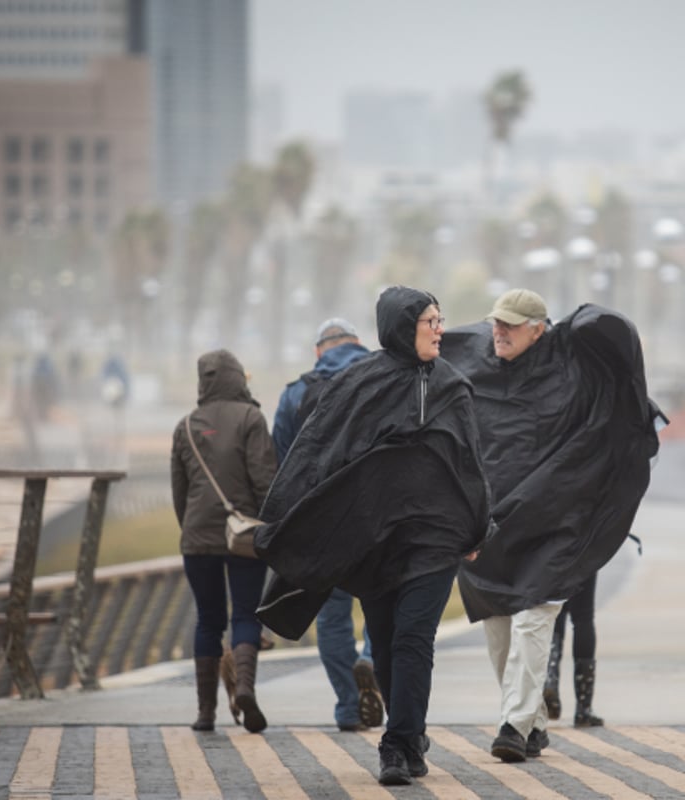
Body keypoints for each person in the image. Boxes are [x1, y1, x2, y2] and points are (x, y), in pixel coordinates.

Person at [255, 286, 490, 786]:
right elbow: (321, 452)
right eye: (430, 321)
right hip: (376, 543)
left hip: (435, 540)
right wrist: (290, 519)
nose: (439, 330)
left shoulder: (452, 385)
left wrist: (476, 523)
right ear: (402, 327)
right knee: (382, 642)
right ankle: (412, 732)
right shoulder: (358, 384)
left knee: (412, 638)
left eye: (440, 320)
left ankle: (397, 743)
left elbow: (471, 461)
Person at [440, 289, 662, 764]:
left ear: (539, 329)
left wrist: (583, 320)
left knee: (533, 619)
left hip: (557, 526)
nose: (499, 331)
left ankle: (514, 726)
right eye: (496, 322)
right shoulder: (476, 365)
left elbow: (614, 346)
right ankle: (533, 719)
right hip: (494, 526)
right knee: (499, 625)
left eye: (512, 325)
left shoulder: (573, 370)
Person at [271, 316, 384, 733]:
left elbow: (280, 470)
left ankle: (349, 708)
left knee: (332, 617)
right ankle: (371, 660)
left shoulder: (295, 394)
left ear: (319, 351)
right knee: (381, 606)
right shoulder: (383, 380)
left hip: (319, 526)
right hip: (375, 519)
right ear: (358, 344)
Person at [170, 349, 277, 733]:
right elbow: (264, 480)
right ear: (238, 378)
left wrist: (193, 532)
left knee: (208, 621)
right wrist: (272, 528)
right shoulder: (251, 418)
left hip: (197, 540)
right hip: (244, 536)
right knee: (245, 615)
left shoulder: (184, 427)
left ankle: (205, 713)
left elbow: (179, 494)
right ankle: (245, 689)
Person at [543, 573, 604, 727]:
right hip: (584, 554)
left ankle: (550, 680)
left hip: (553, 554)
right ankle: (584, 708)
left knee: (555, 611)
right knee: (583, 617)